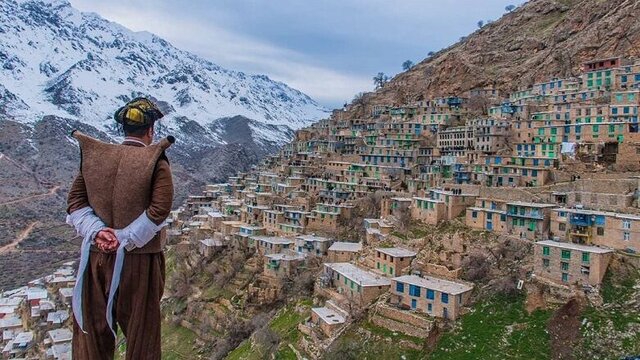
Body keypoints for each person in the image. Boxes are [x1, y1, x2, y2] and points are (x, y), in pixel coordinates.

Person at [66, 97, 174, 360]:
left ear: (123, 130)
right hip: (139, 263)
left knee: (91, 332)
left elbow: (75, 203)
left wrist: (99, 232)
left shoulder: (94, 160)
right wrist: (124, 238)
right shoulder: (156, 162)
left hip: (96, 259)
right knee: (142, 335)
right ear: (151, 131)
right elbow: (159, 210)